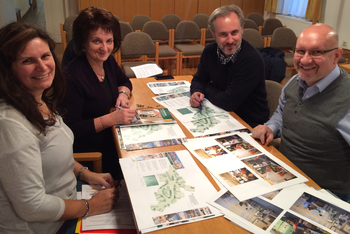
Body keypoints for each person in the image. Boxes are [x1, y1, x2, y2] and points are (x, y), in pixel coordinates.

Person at [0, 22, 118, 233]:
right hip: (46, 226)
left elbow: (51, 154)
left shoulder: (39, 99)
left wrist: (86, 173)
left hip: (71, 200)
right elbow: (32, 207)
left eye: (45, 56)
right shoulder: (9, 125)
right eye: (28, 61)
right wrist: (90, 206)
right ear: (8, 70)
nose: (43, 67)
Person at [252, 24, 350, 202]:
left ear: (336, 55)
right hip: (284, 174)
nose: (304, 60)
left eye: (316, 52)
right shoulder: (295, 82)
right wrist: (271, 127)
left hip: (325, 194)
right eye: (300, 51)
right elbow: (281, 113)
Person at [60, 7, 136, 179]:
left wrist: (123, 94)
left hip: (113, 137)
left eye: (109, 41)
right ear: (83, 43)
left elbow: (124, 81)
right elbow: (70, 128)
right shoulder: (72, 76)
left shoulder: (107, 61)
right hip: (94, 153)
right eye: (96, 41)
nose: (105, 48)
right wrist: (111, 119)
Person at [189, 4, 269, 127]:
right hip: (221, 113)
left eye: (234, 32)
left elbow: (228, 102)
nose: (230, 40)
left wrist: (206, 87)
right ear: (213, 34)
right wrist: (197, 91)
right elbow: (199, 79)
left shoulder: (252, 60)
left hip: (247, 123)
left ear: (242, 29)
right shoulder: (209, 51)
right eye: (223, 34)